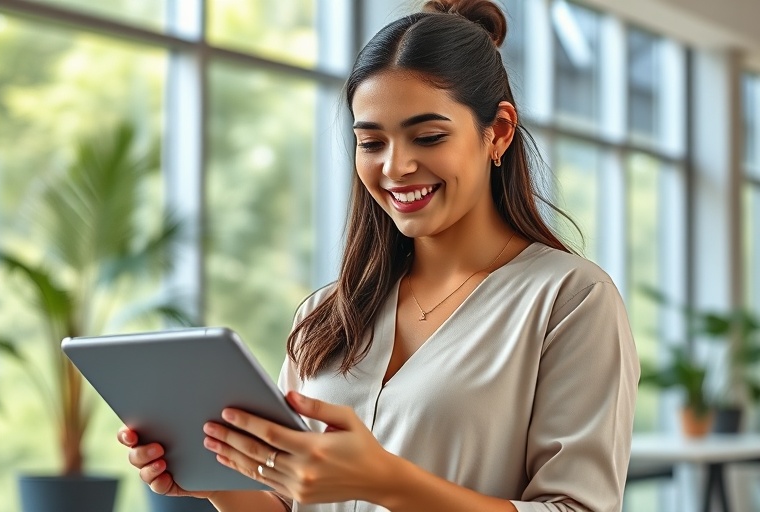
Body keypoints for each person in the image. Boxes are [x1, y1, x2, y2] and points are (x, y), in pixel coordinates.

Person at [119, 0, 640, 510]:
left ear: (498, 131)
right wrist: (215, 481)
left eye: (429, 136)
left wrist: (388, 484)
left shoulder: (571, 300)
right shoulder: (326, 313)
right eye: (371, 143)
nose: (396, 167)